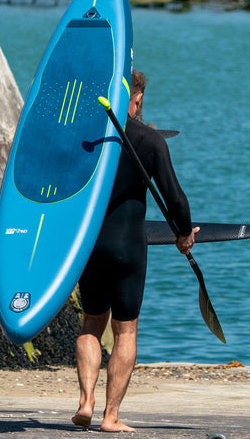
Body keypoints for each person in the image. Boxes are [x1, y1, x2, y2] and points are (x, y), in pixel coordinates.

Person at [72, 70, 198, 433]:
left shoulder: (85, 137)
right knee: (125, 331)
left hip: (89, 244)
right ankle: (110, 416)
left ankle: (85, 402)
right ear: (137, 99)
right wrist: (184, 233)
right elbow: (174, 198)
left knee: (91, 323)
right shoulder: (149, 140)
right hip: (129, 247)